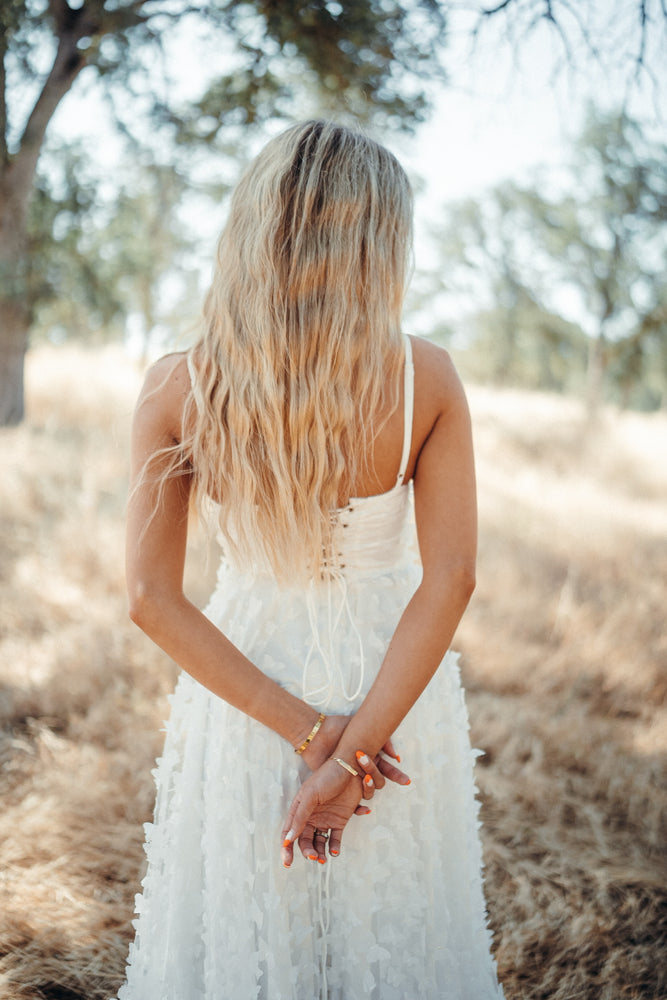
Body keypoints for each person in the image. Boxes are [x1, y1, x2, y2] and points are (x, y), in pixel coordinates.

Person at [118, 119, 504, 1000]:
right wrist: (354, 751)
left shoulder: (179, 384)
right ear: (381, 241)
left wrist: (308, 734)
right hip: (392, 684)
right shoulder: (427, 379)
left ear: (257, 225)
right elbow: (451, 578)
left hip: (246, 683)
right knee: (394, 926)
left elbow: (149, 598)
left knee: (250, 922)